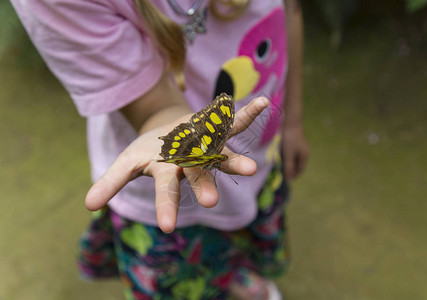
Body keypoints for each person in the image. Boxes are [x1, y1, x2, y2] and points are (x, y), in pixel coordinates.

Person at [11, 0, 309, 299]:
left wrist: (292, 122)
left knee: (238, 225)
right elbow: (157, 107)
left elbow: (289, 11)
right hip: (163, 183)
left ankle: (234, 272)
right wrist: (167, 129)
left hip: (259, 151)